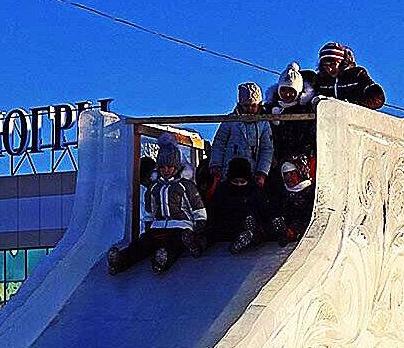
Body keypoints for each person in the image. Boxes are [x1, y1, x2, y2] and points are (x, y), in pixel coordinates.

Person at [107, 134, 206, 274]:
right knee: (143, 244)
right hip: (158, 226)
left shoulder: (185, 186)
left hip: (180, 226)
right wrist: (148, 226)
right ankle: (120, 261)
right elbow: (149, 210)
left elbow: (197, 206)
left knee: (173, 244)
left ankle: (161, 260)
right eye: (163, 167)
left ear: (176, 167)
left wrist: (200, 224)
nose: (166, 170)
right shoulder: (154, 187)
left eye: (170, 167)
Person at [207, 157, 277, 254]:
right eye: (235, 182)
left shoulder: (256, 191)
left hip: (250, 225)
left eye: (243, 182)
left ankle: (245, 240)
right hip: (227, 226)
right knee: (213, 231)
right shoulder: (222, 190)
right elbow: (214, 212)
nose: (239, 185)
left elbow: (265, 213)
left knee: (257, 231)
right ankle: (200, 243)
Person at [210, 83, 274, 187]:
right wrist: (216, 164)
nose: (249, 109)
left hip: (253, 172)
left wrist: (262, 172)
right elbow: (219, 144)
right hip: (229, 172)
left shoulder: (264, 123)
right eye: (246, 105)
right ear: (240, 104)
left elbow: (267, 149)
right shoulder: (230, 120)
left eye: (253, 105)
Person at [312, 42, 385, 110]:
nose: (330, 69)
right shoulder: (321, 80)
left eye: (333, 64)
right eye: (326, 65)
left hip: (353, 117)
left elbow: (378, 98)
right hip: (329, 118)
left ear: (342, 62)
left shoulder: (356, 75)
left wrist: (356, 103)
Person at [271, 158, 314, 247]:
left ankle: (289, 234)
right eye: (285, 175)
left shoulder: (310, 190)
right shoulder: (283, 192)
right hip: (288, 220)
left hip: (304, 221)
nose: (288, 178)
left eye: (292, 173)